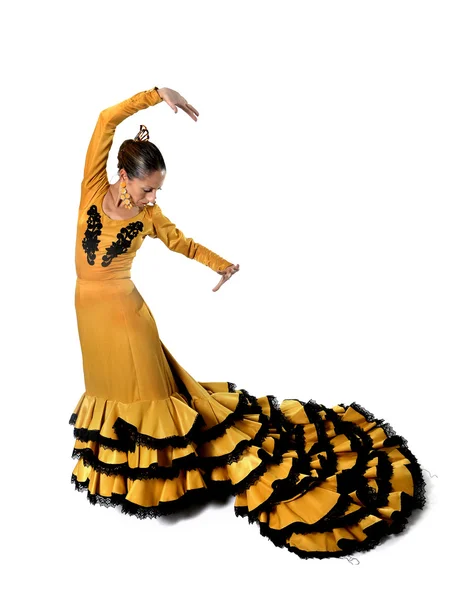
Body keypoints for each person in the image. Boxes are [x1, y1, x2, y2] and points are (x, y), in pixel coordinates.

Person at [69, 85, 426, 560]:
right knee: (109, 389)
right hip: (87, 313)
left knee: (151, 397)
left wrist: (221, 264)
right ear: (122, 175)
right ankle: (122, 477)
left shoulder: (150, 217)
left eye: (158, 189)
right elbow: (104, 121)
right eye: (146, 187)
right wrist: (157, 94)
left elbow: (183, 243)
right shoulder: (92, 188)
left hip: (128, 316)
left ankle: (162, 481)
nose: (153, 197)